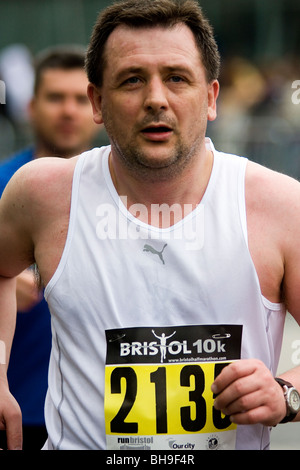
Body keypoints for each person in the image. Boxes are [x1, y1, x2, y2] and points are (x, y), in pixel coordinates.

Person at [0, 0, 300, 451]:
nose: (156, 98)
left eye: (177, 78)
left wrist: (286, 393)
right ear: (97, 102)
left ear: (212, 97)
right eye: (132, 79)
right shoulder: (41, 193)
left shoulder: (279, 204)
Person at [0, 45, 99, 449]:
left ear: (97, 106)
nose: (68, 111)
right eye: (56, 98)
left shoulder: (127, 192)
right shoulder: (4, 186)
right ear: (31, 106)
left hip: (99, 417)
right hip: (16, 407)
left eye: (80, 99)